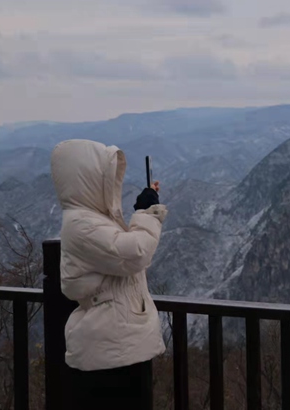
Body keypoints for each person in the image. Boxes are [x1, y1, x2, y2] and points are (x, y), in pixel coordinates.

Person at [50, 139, 167, 410]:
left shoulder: (92, 220)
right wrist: (146, 213)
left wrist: (142, 208)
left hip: (118, 346)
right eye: (106, 177)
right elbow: (135, 253)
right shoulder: (81, 225)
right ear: (88, 180)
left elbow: (120, 256)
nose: (112, 183)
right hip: (111, 354)